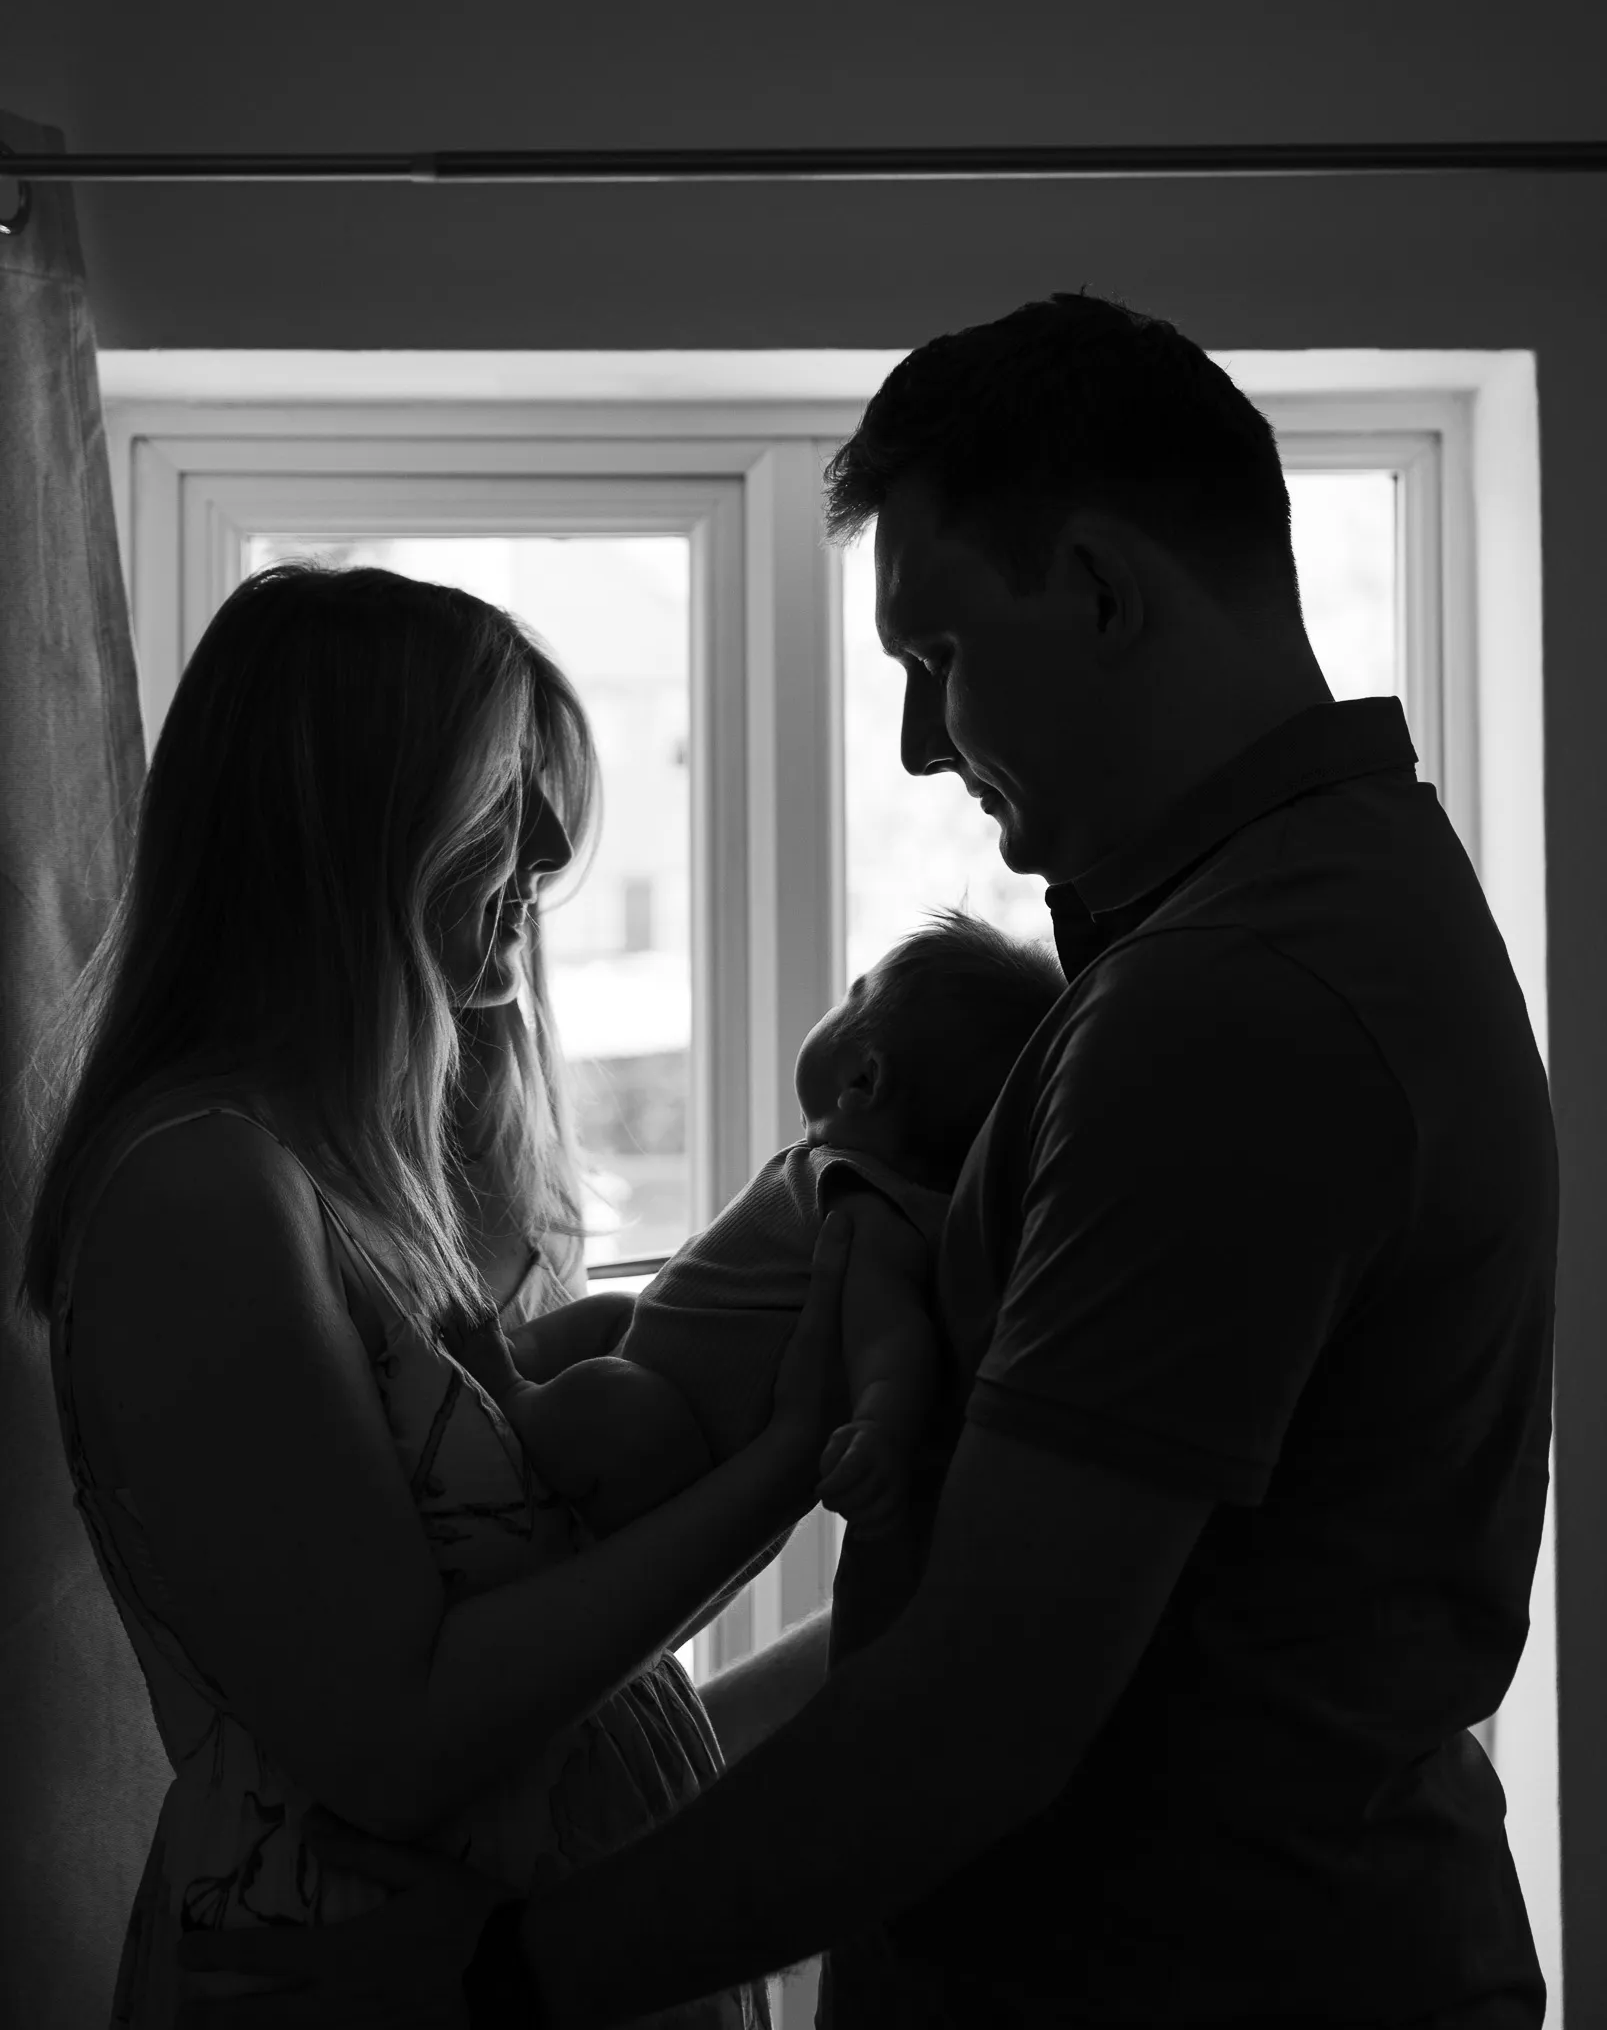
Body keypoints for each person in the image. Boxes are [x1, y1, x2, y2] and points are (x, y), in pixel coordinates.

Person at [177, 288, 1557, 2030]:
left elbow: (990, 1698)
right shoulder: (1282, 929)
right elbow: (1058, 1618)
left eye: (937, 656)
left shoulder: (1235, 1003)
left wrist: (511, 1973)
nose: (916, 740)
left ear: (1106, 593)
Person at [13, 560, 864, 2030]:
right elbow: (396, 1738)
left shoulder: (346, 1186)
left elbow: (538, 1670)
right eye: (497, 796)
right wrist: (784, 1467)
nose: (544, 849)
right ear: (343, 826)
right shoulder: (200, 1192)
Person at [450, 910, 1063, 1554]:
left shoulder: (867, 1211)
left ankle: (513, 1397)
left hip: (663, 1456)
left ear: (863, 1080)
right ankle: (513, 1363)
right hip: (659, 1393)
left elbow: (893, 1332)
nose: (830, 1009)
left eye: (850, 999)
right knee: (610, 1314)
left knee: (616, 1392)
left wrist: (882, 1425)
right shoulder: (841, 1180)